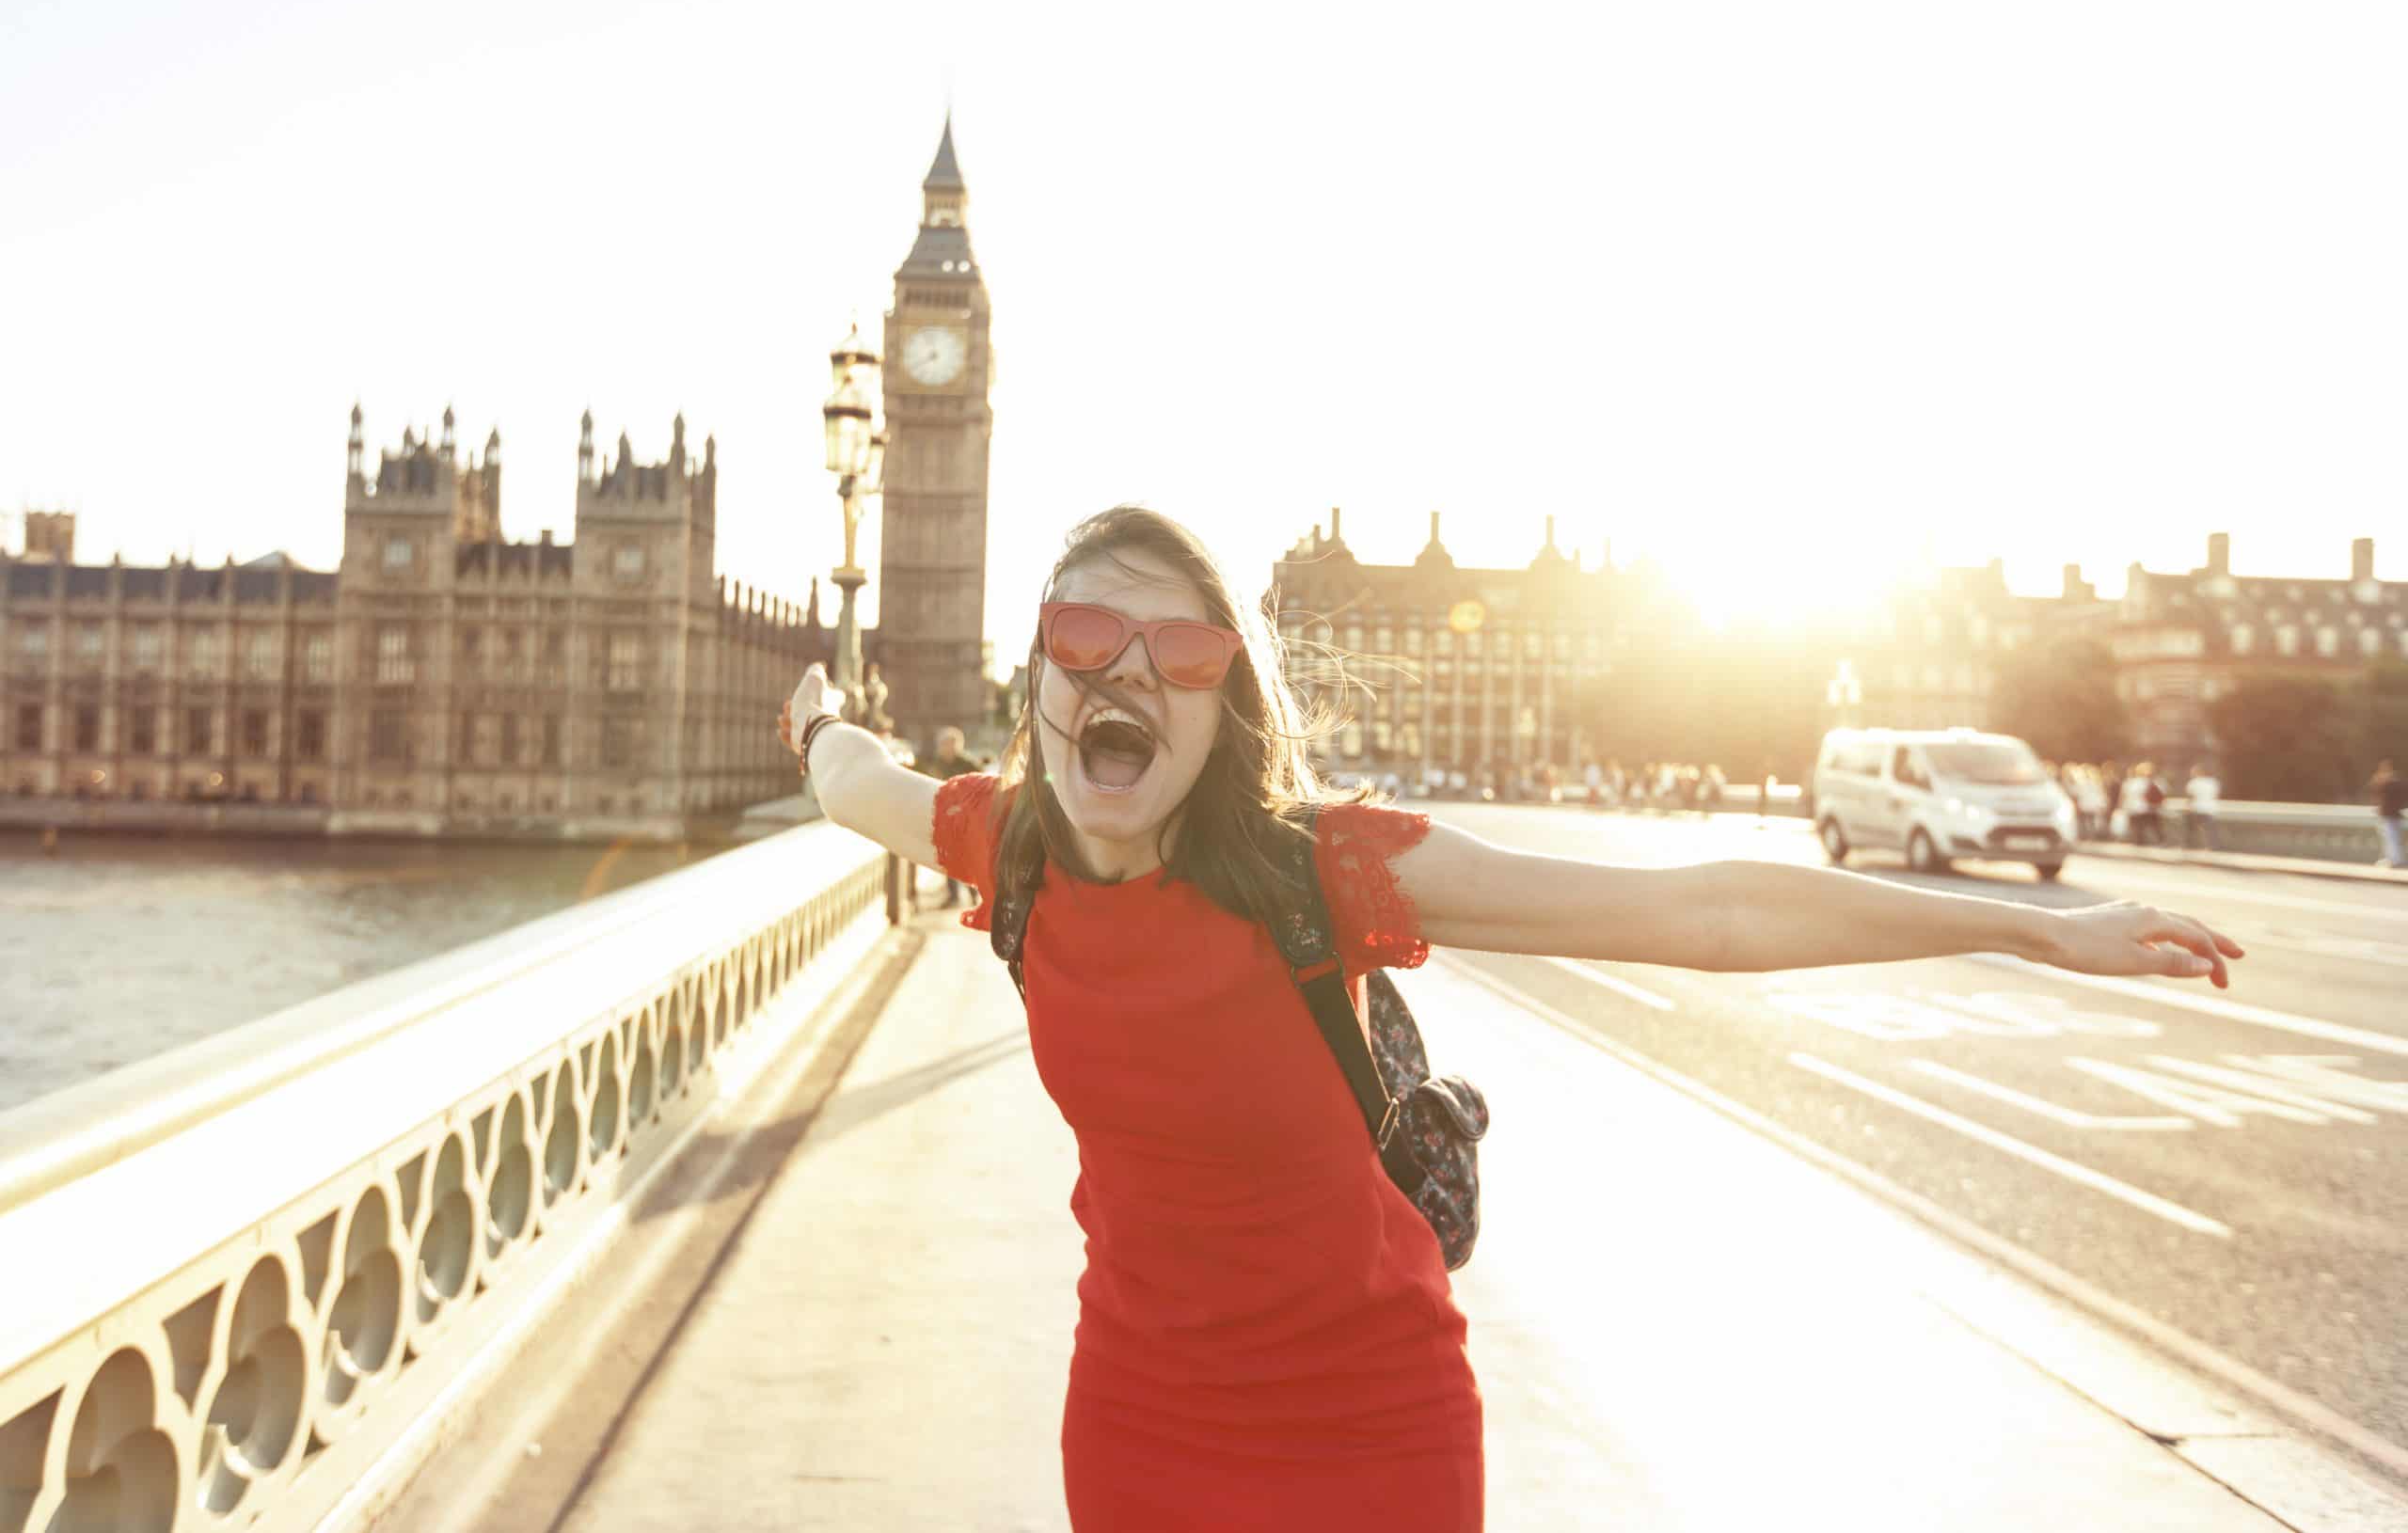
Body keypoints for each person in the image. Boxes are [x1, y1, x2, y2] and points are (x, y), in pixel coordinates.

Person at [775, 505, 2242, 1533]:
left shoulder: (1324, 871)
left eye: (1187, 651)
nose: (1127, 670)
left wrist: (2037, 923)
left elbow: (1706, 911)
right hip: (1141, 1422)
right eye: (1085, 629)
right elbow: (857, 786)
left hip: (1373, 1432)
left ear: (1228, 703)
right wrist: (815, 722)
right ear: (1036, 666)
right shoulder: (1003, 838)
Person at [927, 726, 985, 907]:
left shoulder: (968, 764)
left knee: (969, 857)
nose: (948, 748)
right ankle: (953, 895)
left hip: (967, 817)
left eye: (952, 744)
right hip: (946, 818)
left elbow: (981, 785)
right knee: (949, 857)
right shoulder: (937, 764)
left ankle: (974, 893)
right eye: (945, 744)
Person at [2373, 758, 2407, 868]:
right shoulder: (2396, 783)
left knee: (2392, 838)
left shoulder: (2390, 783)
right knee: (2392, 839)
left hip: (2390, 815)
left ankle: (2395, 860)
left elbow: (2381, 793)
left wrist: (2380, 780)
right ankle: (2395, 859)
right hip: (2393, 815)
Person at [2183, 763, 2221, 851]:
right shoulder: (2213, 782)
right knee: (2210, 829)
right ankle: (2212, 846)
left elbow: (2191, 797)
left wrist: (2187, 808)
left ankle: (2189, 846)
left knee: (2191, 829)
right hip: (2210, 808)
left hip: (2196, 808)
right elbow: (2216, 795)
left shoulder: (2193, 783)